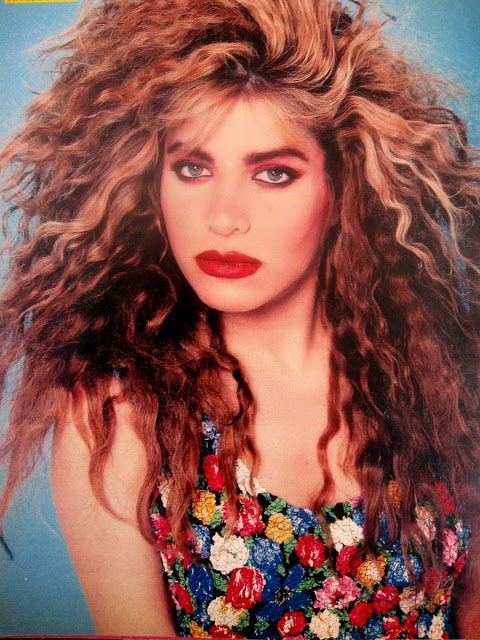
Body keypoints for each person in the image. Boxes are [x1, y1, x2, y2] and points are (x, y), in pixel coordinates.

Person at [0, 0, 479, 637]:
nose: (224, 216)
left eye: (274, 173)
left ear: (343, 189)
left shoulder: (446, 383)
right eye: (192, 168)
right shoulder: (118, 416)